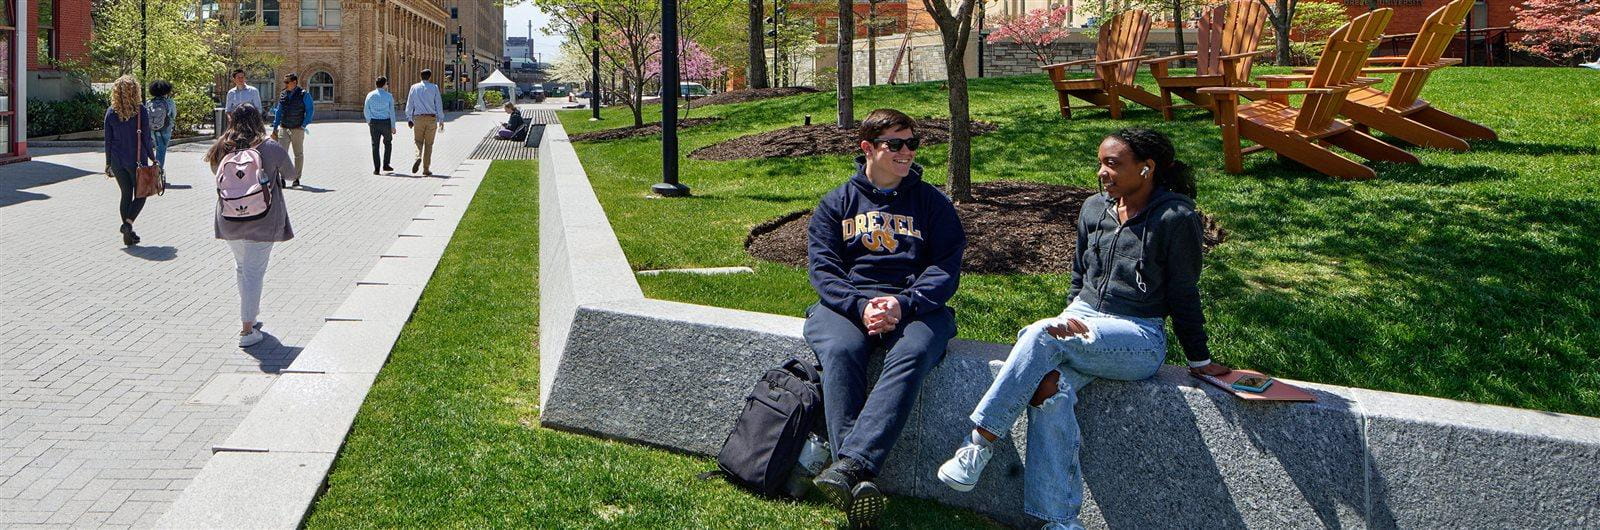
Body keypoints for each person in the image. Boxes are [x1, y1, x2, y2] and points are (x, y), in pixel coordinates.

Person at [935, 128, 1231, 530]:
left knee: (1038, 335)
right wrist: (1072, 315)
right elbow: (1080, 275)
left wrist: (1199, 358)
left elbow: (1183, 293)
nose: (1102, 172)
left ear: (1147, 168)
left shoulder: (1176, 218)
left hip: (1138, 336)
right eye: (1100, 163)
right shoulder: (1094, 208)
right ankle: (1061, 522)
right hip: (1085, 318)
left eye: (1113, 164)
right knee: (1047, 388)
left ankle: (979, 445)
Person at [805, 108, 966, 528]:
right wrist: (860, 306)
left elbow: (946, 269)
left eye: (912, 143)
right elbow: (823, 269)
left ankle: (848, 467)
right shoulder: (836, 203)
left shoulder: (933, 204)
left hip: (915, 305)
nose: (906, 151)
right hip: (846, 305)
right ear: (867, 148)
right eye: (895, 144)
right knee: (841, 347)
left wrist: (903, 304)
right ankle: (858, 474)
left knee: (913, 350)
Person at [204, 104, 296, 348]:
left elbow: (216, 172)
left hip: (230, 218)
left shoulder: (221, 147)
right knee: (253, 272)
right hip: (262, 219)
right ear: (258, 120)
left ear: (232, 120)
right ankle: (247, 330)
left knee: (243, 268)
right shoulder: (269, 147)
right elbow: (290, 173)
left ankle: (251, 318)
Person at [103, 75, 156, 247]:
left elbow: (108, 140)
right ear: (136, 91)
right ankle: (127, 224)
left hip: (117, 160)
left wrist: (108, 163)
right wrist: (153, 158)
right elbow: (146, 138)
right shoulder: (140, 111)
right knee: (141, 194)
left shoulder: (111, 112)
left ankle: (129, 233)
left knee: (125, 193)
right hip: (137, 160)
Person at [270, 72, 314, 187]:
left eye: (286, 82)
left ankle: (296, 178)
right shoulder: (283, 94)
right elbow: (279, 111)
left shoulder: (304, 94)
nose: (284, 84)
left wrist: (303, 125)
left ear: (294, 82)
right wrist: (275, 127)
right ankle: (282, 177)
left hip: (297, 128)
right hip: (284, 128)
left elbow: (310, 110)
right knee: (282, 154)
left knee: (298, 154)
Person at [405, 68, 445, 176]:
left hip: (418, 118)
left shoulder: (414, 87)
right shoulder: (434, 87)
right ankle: (426, 169)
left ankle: (418, 157)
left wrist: (409, 118)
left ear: (420, 76)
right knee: (429, 144)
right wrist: (441, 119)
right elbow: (438, 104)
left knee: (418, 141)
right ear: (430, 77)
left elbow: (410, 104)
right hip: (431, 119)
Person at [364, 76, 397, 174]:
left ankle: (377, 168)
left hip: (374, 122)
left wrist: (369, 121)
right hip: (386, 122)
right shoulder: (389, 96)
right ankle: (386, 164)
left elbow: (366, 109)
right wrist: (393, 126)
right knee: (388, 143)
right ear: (384, 85)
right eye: (387, 83)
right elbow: (392, 112)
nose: (387, 85)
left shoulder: (370, 95)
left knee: (375, 145)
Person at [146, 80, 177, 169]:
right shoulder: (169, 102)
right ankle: (158, 170)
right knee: (161, 149)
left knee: (157, 146)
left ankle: (155, 167)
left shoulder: (149, 102)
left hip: (152, 129)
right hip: (165, 128)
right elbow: (173, 115)